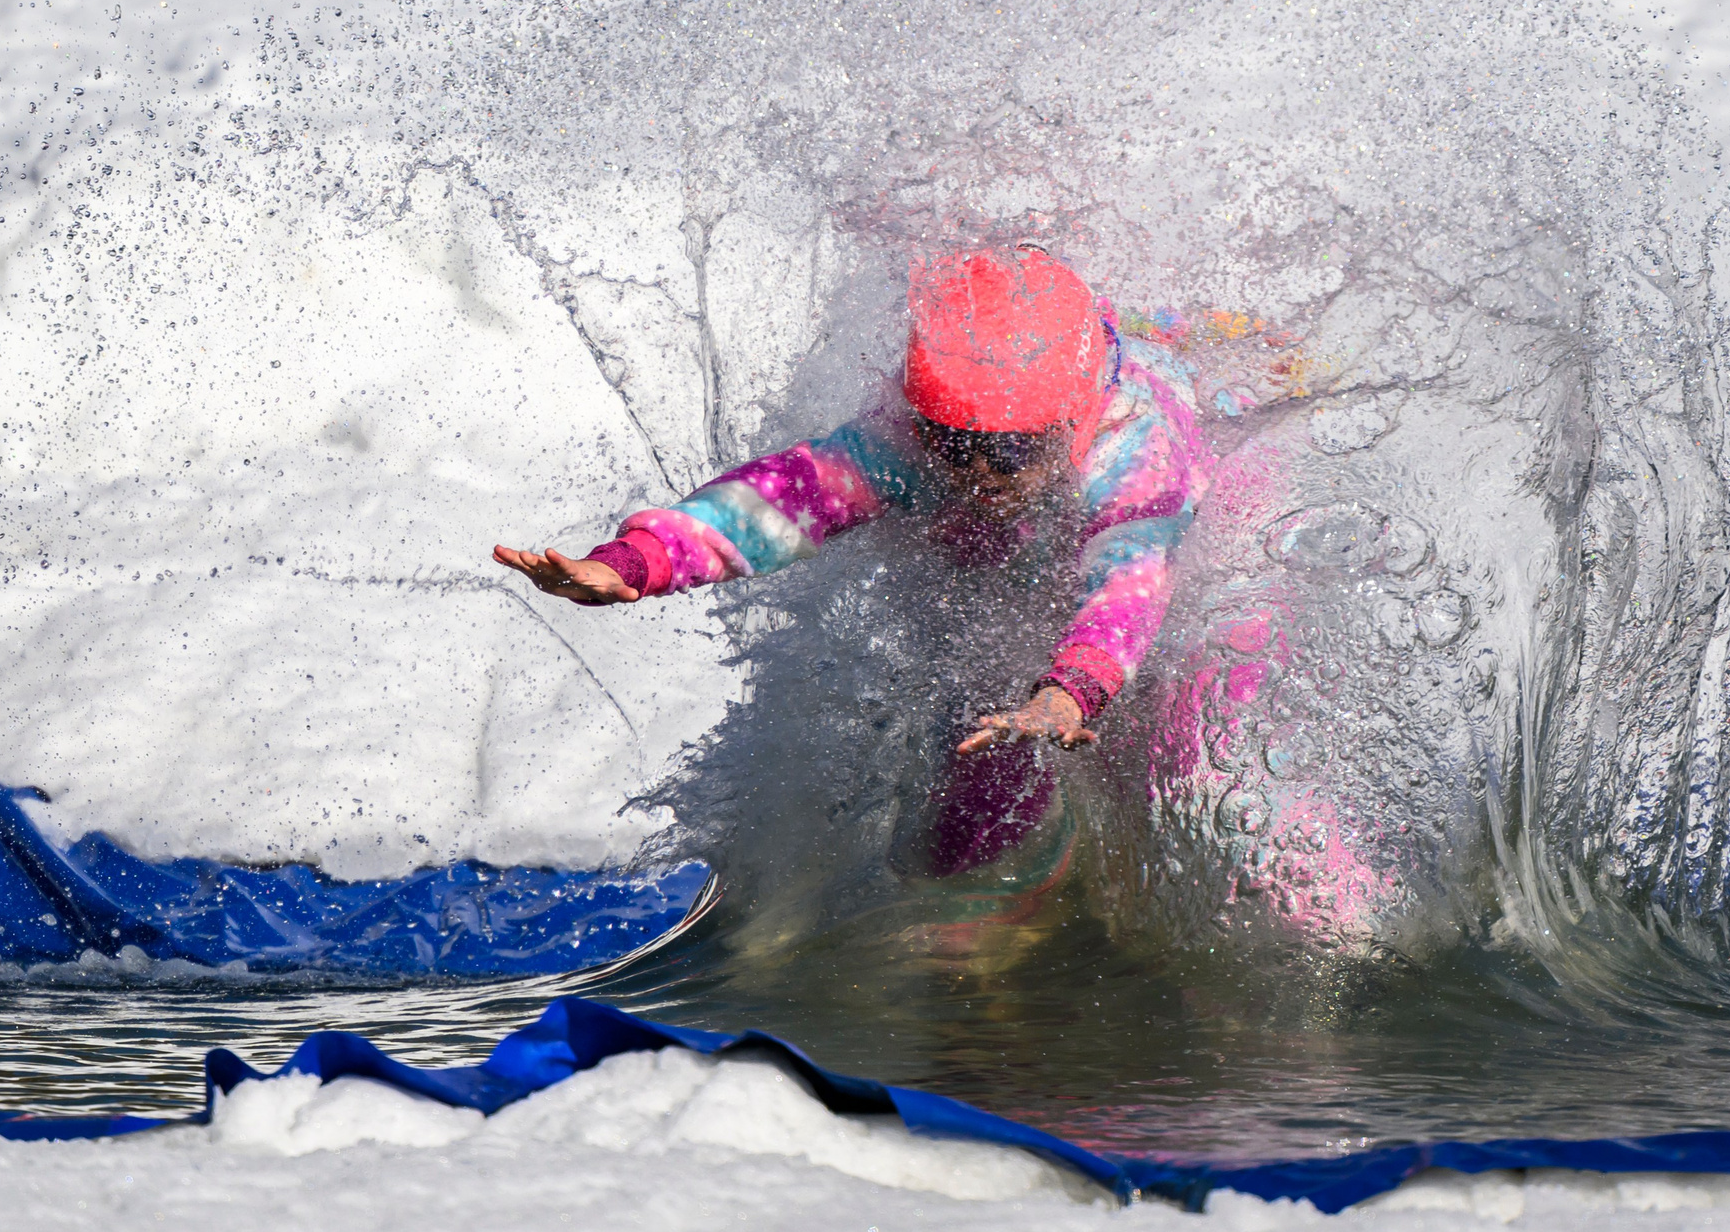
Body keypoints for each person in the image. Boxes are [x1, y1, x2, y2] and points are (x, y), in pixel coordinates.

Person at [495, 245, 1212, 870]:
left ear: (1074, 420)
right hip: (1013, 578)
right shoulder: (905, 444)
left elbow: (1133, 581)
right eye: (950, 442)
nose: (977, 473)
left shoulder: (1132, 452)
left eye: (1010, 449)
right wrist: (632, 562)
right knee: (964, 813)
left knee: (1176, 760)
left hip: (1149, 601)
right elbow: (778, 502)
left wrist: (1069, 690)